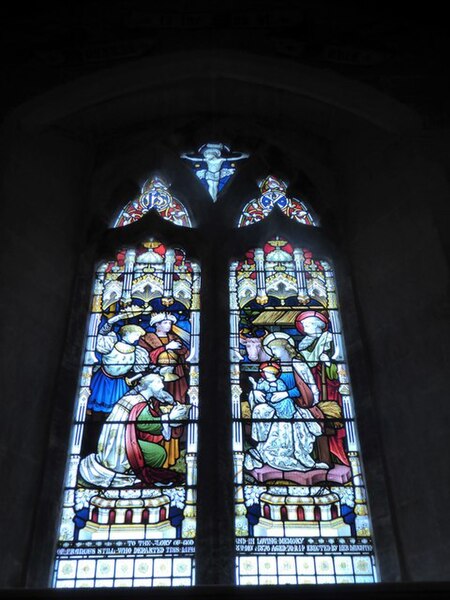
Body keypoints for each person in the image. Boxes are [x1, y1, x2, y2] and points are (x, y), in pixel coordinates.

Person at [79, 373, 190, 488]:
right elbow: (147, 425)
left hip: (111, 445)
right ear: (149, 386)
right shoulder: (139, 403)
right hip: (122, 448)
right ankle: (135, 472)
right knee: (158, 453)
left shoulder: (132, 397)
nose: (162, 386)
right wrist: (170, 417)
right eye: (158, 382)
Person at [244, 359, 328, 473]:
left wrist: (285, 394)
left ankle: (300, 456)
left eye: (275, 348)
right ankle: (269, 451)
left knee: (292, 417)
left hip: (294, 403)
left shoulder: (298, 366)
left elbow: (303, 389)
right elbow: (258, 390)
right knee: (263, 412)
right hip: (271, 404)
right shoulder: (264, 380)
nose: (273, 352)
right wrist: (255, 392)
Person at [296, 311, 349, 466]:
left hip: (328, 386)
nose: (305, 328)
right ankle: (313, 456)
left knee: (329, 419)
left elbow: (336, 371)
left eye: (308, 325)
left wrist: (327, 363)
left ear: (318, 325)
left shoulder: (329, 340)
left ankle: (336, 455)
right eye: (304, 325)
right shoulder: (304, 343)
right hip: (309, 383)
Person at [139, 312, 189, 466]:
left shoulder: (175, 338)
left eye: (169, 322)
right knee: (158, 410)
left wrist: (181, 351)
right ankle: (155, 457)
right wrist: (166, 347)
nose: (169, 325)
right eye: (165, 322)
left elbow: (186, 356)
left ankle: (172, 456)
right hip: (157, 381)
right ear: (157, 324)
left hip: (176, 380)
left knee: (176, 410)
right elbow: (144, 358)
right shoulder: (146, 339)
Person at [87, 319, 149, 415]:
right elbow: (101, 336)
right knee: (95, 405)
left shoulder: (138, 352)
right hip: (102, 379)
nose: (137, 338)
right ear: (127, 333)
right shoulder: (111, 343)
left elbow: (139, 369)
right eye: (136, 335)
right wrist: (111, 322)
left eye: (139, 336)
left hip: (120, 382)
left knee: (118, 409)